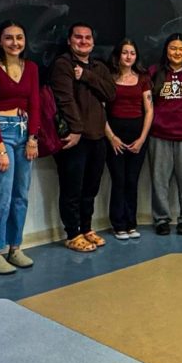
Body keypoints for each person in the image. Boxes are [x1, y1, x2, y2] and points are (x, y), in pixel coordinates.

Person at [0, 20, 39, 275]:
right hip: (0, 134)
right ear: (0, 41)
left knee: (21, 195)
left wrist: (33, 138)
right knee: (0, 197)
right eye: (9, 38)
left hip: (25, 132)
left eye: (19, 37)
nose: (15, 43)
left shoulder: (32, 68)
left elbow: (35, 103)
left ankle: (15, 247)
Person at [51, 22, 116, 252]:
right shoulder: (63, 65)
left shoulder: (98, 66)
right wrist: (76, 130)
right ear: (69, 40)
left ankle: (87, 228)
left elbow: (111, 92)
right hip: (74, 139)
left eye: (88, 37)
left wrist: (86, 76)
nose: (83, 41)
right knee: (72, 189)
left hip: (98, 137)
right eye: (78, 37)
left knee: (91, 188)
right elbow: (65, 100)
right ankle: (72, 233)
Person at [148, 33, 182, 236]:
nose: (176, 52)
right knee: (159, 179)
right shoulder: (154, 72)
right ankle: (161, 219)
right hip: (159, 135)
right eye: (172, 48)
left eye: (181, 49)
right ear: (166, 51)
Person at [104, 39, 153, 241]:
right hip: (114, 136)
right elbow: (101, 110)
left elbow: (149, 110)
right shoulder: (108, 78)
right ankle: (118, 224)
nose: (128, 57)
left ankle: (131, 223)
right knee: (119, 180)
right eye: (125, 52)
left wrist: (142, 138)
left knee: (132, 180)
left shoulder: (142, 78)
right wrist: (112, 137)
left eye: (132, 53)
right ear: (118, 55)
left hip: (137, 136)